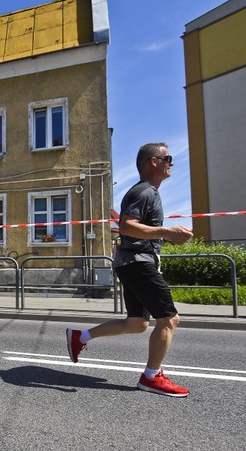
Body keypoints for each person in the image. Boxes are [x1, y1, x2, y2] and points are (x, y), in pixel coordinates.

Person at [66, 143, 194, 397]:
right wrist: (168, 233)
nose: (172, 163)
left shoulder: (149, 192)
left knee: (136, 323)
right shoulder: (144, 192)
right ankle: (151, 377)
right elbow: (127, 227)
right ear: (153, 162)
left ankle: (80, 337)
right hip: (137, 262)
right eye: (167, 158)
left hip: (132, 262)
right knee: (169, 319)